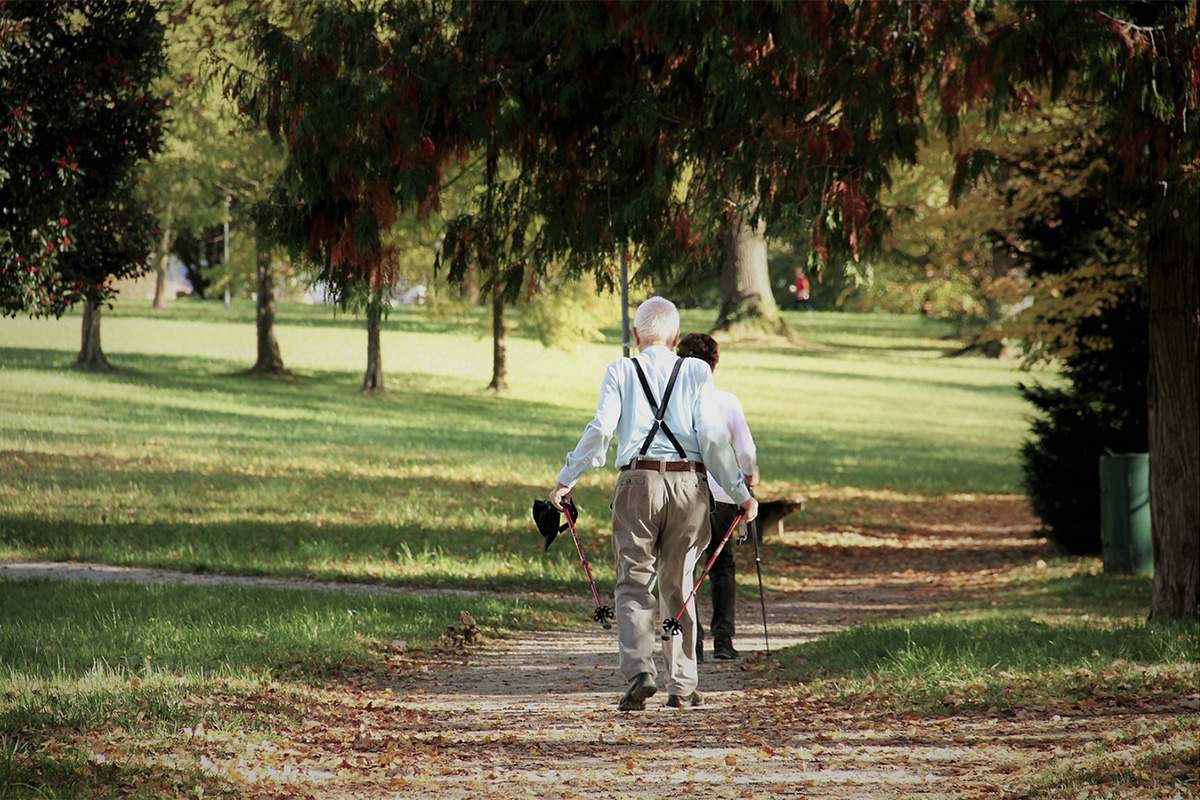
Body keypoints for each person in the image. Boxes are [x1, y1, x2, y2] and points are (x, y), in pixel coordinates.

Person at [549, 297, 758, 711]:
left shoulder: (621, 369)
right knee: (680, 584)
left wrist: (565, 480)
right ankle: (683, 684)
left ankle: (640, 672)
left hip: (637, 482)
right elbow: (714, 441)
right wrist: (741, 493)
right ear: (676, 337)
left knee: (633, 581)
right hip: (689, 485)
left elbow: (601, 429)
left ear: (635, 336)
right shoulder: (697, 371)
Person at [676, 333, 757, 662]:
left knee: (686, 566)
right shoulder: (727, 402)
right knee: (722, 566)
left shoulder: (676, 403)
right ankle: (723, 640)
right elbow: (746, 452)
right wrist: (748, 481)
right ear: (715, 363)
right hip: (724, 494)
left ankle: (692, 643)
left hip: (685, 492)